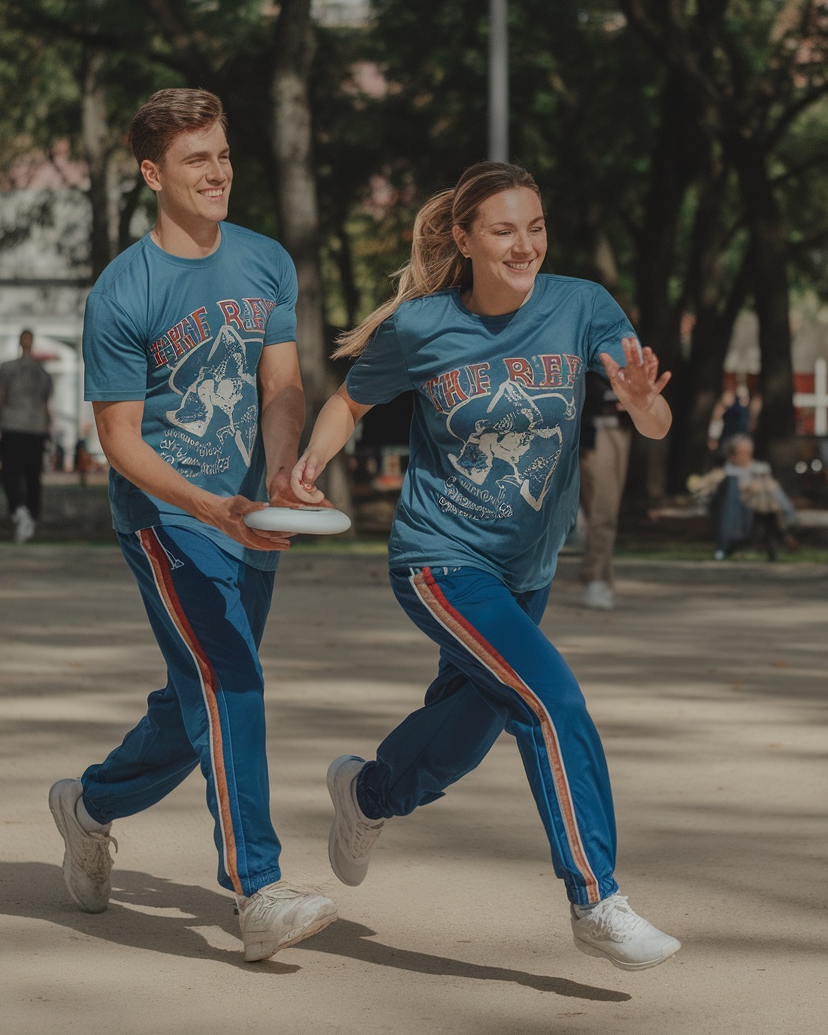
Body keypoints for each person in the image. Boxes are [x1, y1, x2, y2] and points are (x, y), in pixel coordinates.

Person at [291, 161, 681, 972]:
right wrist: (309, 465)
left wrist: (644, 399)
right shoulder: (422, 327)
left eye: (535, 227)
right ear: (465, 240)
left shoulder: (582, 307)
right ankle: (596, 897)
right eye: (504, 230)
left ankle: (368, 794)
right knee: (549, 699)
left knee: (468, 734)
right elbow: (349, 401)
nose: (525, 245)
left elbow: (651, 420)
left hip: (527, 568)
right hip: (441, 561)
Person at [47, 88, 336, 962]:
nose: (218, 173)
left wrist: (281, 472)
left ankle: (89, 805)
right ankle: (258, 887)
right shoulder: (122, 292)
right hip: (168, 521)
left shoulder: (265, 261)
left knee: (195, 700)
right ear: (151, 173)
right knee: (232, 679)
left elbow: (280, 386)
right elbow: (118, 440)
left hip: (249, 514)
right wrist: (212, 507)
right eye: (195, 160)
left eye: (221, 154)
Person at [688, 434, 796, 561]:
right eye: (742, 453)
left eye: (748, 452)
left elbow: (774, 489)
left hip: (758, 506)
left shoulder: (760, 469)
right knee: (762, 502)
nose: (746, 456)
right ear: (732, 454)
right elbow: (703, 489)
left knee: (768, 492)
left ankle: (785, 523)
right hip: (734, 508)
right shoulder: (723, 473)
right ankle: (784, 533)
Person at [578, 371, 632, 610]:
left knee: (604, 510)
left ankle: (599, 578)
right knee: (599, 509)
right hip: (581, 428)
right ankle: (597, 578)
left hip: (611, 428)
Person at [0, 329, 53, 542]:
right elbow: (45, 402)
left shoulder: (8, 369)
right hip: (35, 428)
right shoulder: (42, 373)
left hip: (14, 426)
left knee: (10, 473)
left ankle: (21, 512)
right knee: (32, 475)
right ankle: (29, 514)